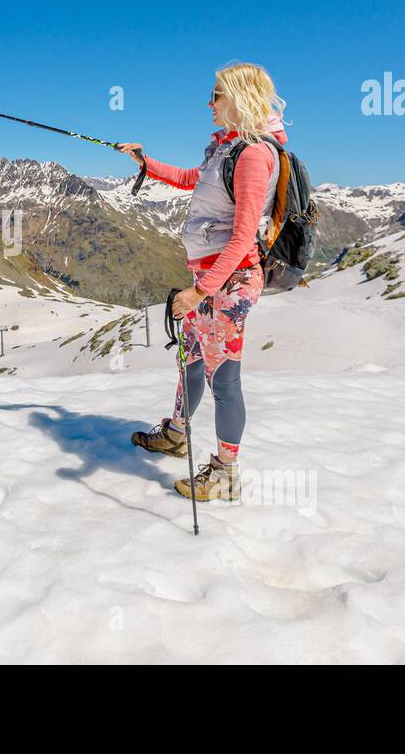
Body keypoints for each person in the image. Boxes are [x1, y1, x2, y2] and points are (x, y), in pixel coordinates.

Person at [117, 62, 288, 502]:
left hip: (229, 283)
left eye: (217, 95)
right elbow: (194, 180)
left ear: (241, 98)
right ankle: (176, 434)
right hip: (211, 278)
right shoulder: (225, 149)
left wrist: (200, 291)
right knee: (192, 359)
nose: (209, 104)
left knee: (224, 379)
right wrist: (145, 162)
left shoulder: (252, 155)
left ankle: (226, 473)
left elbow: (243, 233)